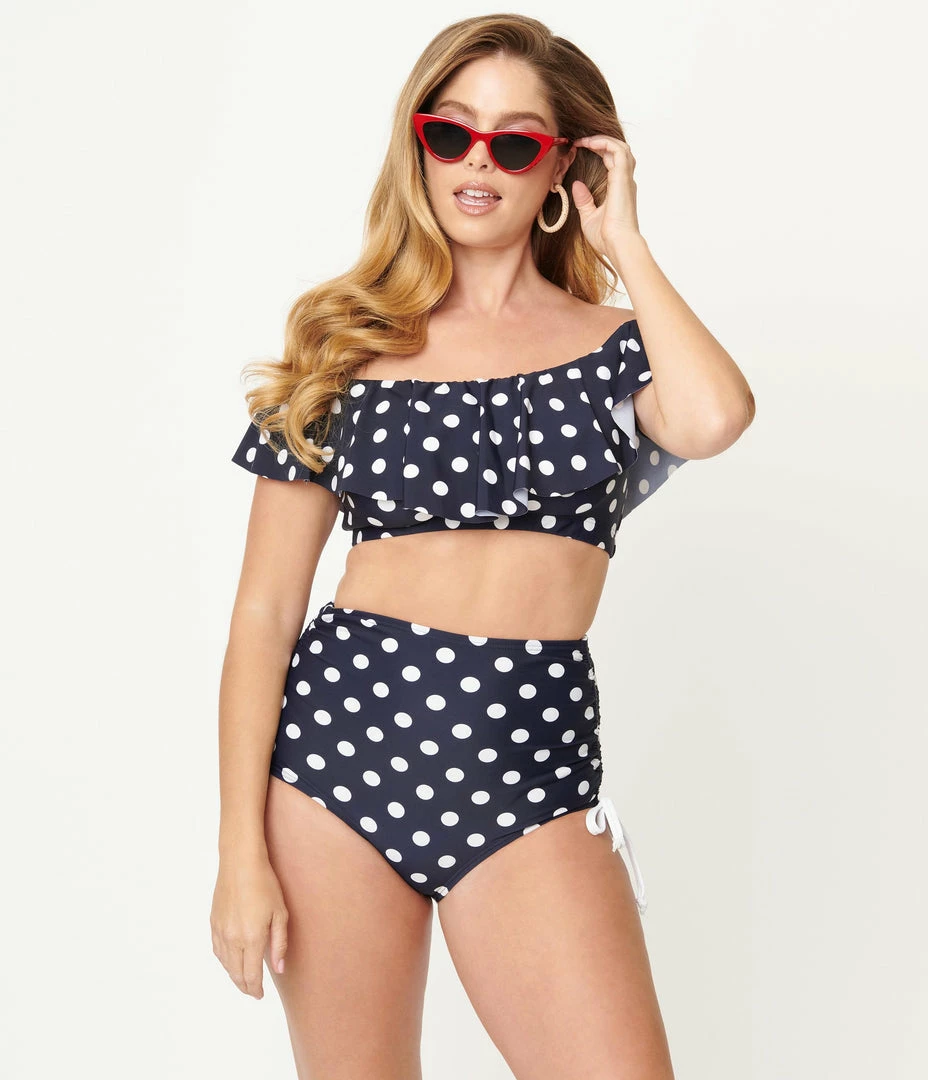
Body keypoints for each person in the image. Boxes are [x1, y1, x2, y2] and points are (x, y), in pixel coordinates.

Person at [212, 13, 754, 1080]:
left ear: (561, 168)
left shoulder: (616, 348)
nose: (476, 163)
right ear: (417, 146)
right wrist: (239, 853)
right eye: (451, 132)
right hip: (335, 760)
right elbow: (264, 615)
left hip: (529, 762)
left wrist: (625, 243)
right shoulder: (343, 343)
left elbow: (713, 418)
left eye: (514, 143)